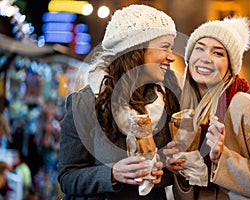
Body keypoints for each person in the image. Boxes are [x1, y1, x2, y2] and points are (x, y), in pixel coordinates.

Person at [163, 17, 250, 199]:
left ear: (230, 66)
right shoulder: (186, 113)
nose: (205, 58)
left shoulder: (244, 106)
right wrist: (180, 170)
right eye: (199, 48)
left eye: (218, 53)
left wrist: (222, 158)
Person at [57, 4, 181, 200]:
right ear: (136, 49)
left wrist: (165, 169)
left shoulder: (168, 98)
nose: (171, 57)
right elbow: (67, 177)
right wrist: (112, 174)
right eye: (164, 47)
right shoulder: (85, 102)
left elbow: (167, 175)